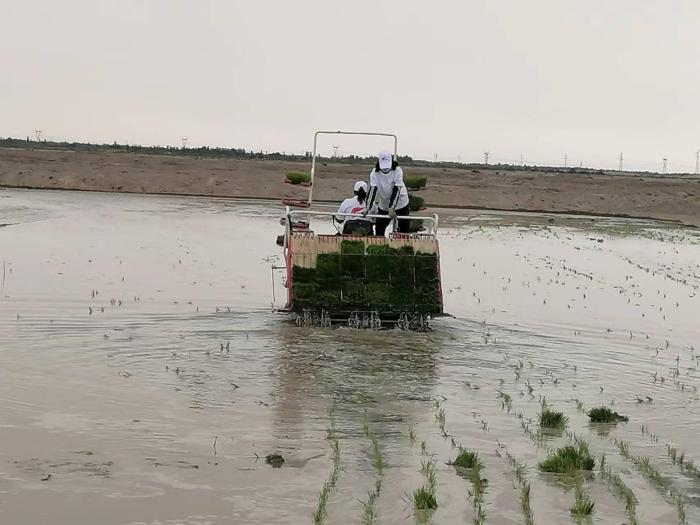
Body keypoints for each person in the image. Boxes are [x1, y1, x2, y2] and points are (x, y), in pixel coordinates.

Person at [365, 150, 410, 235]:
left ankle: (402, 245)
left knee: (404, 228)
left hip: (401, 202)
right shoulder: (374, 173)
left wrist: (392, 207)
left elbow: (397, 190)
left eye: (387, 167)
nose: (385, 169)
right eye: (383, 167)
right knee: (379, 227)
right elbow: (372, 190)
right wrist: (367, 207)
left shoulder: (398, 171)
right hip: (384, 203)